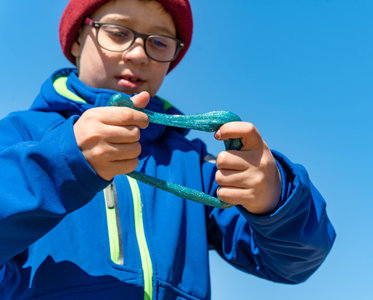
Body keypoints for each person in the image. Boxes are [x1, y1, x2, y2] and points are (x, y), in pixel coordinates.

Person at [0, 0, 336, 299]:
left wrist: (276, 197)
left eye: (158, 42)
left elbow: (294, 263)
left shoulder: (192, 162)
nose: (137, 54)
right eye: (117, 33)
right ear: (76, 40)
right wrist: (64, 162)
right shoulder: (20, 135)